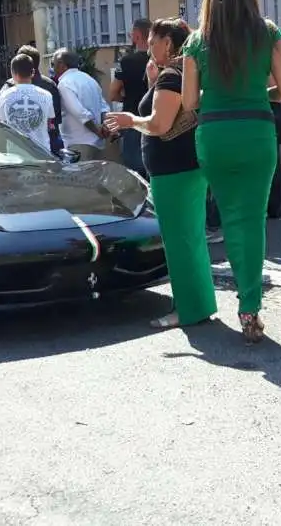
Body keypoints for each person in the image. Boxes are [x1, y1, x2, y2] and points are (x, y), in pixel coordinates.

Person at [181, 0, 281, 344]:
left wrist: (220, 98)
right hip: (255, 130)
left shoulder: (198, 41)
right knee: (252, 219)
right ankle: (250, 307)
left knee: (230, 219)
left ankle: (246, 303)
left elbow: (187, 102)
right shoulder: (268, 33)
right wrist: (257, 96)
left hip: (215, 133)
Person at [104, 18, 217, 328]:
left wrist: (130, 120)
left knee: (179, 241)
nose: (148, 48)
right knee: (191, 238)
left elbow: (159, 124)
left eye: (152, 42)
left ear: (168, 43)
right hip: (189, 165)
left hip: (172, 170)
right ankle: (200, 304)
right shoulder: (188, 71)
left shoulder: (172, 75)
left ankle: (187, 309)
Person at [0, 45, 64, 153]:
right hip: (42, 151)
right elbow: (51, 121)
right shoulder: (47, 92)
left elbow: (1, 123)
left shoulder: (6, 93)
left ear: (12, 72)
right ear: (32, 72)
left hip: (16, 152)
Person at [107, 19, 153, 177]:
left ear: (137, 35)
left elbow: (113, 93)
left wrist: (125, 98)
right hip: (157, 119)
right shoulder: (159, 61)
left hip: (131, 121)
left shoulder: (127, 61)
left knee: (135, 174)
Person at [53, 48, 110, 161]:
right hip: (97, 144)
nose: (52, 68)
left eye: (53, 64)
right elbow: (104, 108)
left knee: (79, 178)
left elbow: (80, 113)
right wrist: (105, 127)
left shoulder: (64, 84)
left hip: (78, 145)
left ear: (61, 64)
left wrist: (98, 131)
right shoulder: (89, 80)